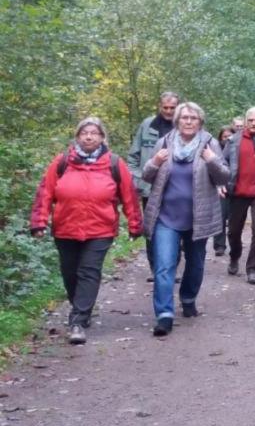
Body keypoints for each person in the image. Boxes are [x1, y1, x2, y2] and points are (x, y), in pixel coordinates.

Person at [30, 117, 143, 345]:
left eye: (94, 133)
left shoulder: (113, 163)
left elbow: (128, 195)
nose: (89, 136)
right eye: (84, 133)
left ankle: (78, 321)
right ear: (78, 136)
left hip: (100, 229)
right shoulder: (62, 162)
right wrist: (39, 222)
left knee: (88, 272)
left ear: (102, 137)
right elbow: (45, 192)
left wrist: (134, 224)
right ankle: (81, 308)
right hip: (65, 228)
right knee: (70, 273)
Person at [142, 102, 230, 336]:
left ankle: (188, 298)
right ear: (177, 121)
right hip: (166, 217)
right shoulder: (164, 143)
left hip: (198, 218)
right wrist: (156, 162)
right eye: (184, 118)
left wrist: (211, 159)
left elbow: (224, 176)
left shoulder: (209, 144)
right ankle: (164, 315)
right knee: (164, 266)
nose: (188, 121)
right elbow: (146, 175)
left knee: (195, 264)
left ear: (200, 122)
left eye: (193, 118)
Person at [126, 91, 179, 278]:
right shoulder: (147, 125)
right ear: (159, 106)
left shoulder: (184, 126)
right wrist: (138, 180)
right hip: (150, 188)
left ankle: (171, 266)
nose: (168, 111)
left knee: (176, 227)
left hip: (176, 188)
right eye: (165, 107)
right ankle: (155, 267)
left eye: (172, 108)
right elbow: (133, 156)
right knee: (152, 228)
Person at [222, 107, 255, 284]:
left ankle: (253, 268)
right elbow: (222, 161)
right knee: (233, 231)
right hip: (238, 192)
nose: (254, 123)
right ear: (246, 121)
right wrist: (224, 181)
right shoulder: (234, 140)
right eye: (251, 120)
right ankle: (235, 256)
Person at [211, 126, 235, 257]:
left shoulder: (237, 148)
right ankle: (219, 245)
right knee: (220, 217)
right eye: (224, 137)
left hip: (236, 188)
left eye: (229, 137)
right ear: (220, 137)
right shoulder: (215, 150)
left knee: (234, 220)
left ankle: (234, 245)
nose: (227, 139)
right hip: (221, 188)